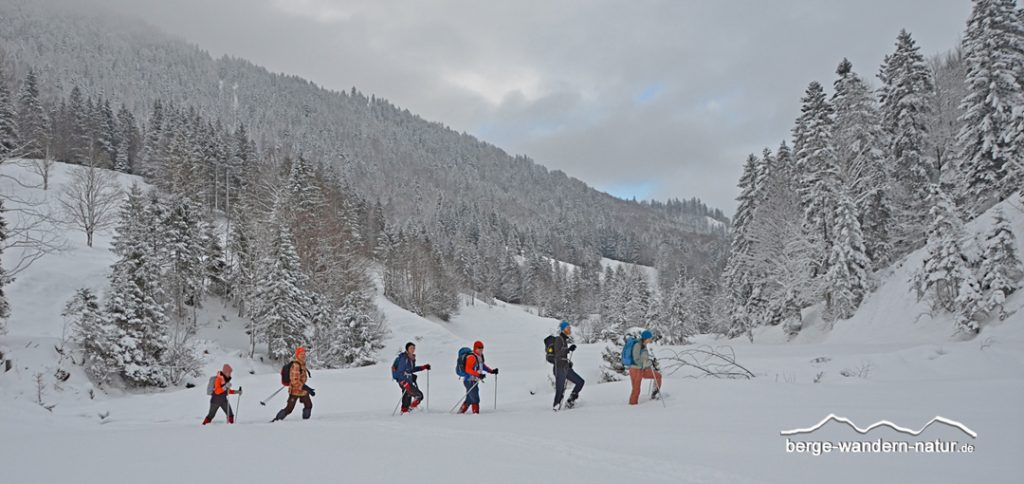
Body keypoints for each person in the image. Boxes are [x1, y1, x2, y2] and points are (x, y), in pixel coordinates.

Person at [273, 347, 314, 422]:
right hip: (295, 391)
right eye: (301, 354)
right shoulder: (296, 365)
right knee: (289, 409)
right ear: (297, 355)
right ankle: (277, 419)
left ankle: (306, 421)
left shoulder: (302, 364)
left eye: (304, 354)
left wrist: (306, 388)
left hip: (302, 391)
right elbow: (294, 381)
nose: (303, 355)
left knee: (308, 405)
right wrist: (306, 388)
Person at [551, 321, 584, 410]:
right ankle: (555, 407)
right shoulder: (559, 339)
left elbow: (562, 355)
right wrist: (568, 349)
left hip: (565, 367)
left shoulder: (564, 340)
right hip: (559, 368)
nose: (570, 329)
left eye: (570, 327)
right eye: (568, 328)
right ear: (563, 329)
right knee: (560, 389)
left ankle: (570, 401)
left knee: (580, 382)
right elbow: (558, 353)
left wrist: (568, 362)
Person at [459, 340, 498, 414]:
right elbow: (468, 369)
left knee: (470, 399)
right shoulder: (471, 357)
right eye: (479, 348)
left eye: (482, 348)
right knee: (475, 398)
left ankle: (460, 412)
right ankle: (476, 414)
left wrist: (491, 371)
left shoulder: (479, 356)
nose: (481, 350)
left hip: (474, 380)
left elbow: (482, 366)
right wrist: (478, 375)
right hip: (469, 380)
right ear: (475, 348)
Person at [392, 342, 431, 413]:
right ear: (407, 349)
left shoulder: (411, 358)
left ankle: (404, 411)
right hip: (404, 381)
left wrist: (423, 367)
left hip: (408, 381)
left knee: (407, 395)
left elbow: (411, 370)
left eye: (414, 348)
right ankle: (409, 409)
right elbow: (400, 371)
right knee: (419, 396)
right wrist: (402, 381)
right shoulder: (404, 358)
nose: (413, 349)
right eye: (411, 348)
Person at [628, 329, 663, 405]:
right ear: (646, 338)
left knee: (658, 376)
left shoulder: (644, 345)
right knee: (636, 390)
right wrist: (647, 363)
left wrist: (650, 360)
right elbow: (636, 360)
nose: (651, 340)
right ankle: (632, 406)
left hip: (643, 369)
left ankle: (655, 394)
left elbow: (643, 358)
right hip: (635, 370)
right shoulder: (637, 345)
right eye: (650, 338)